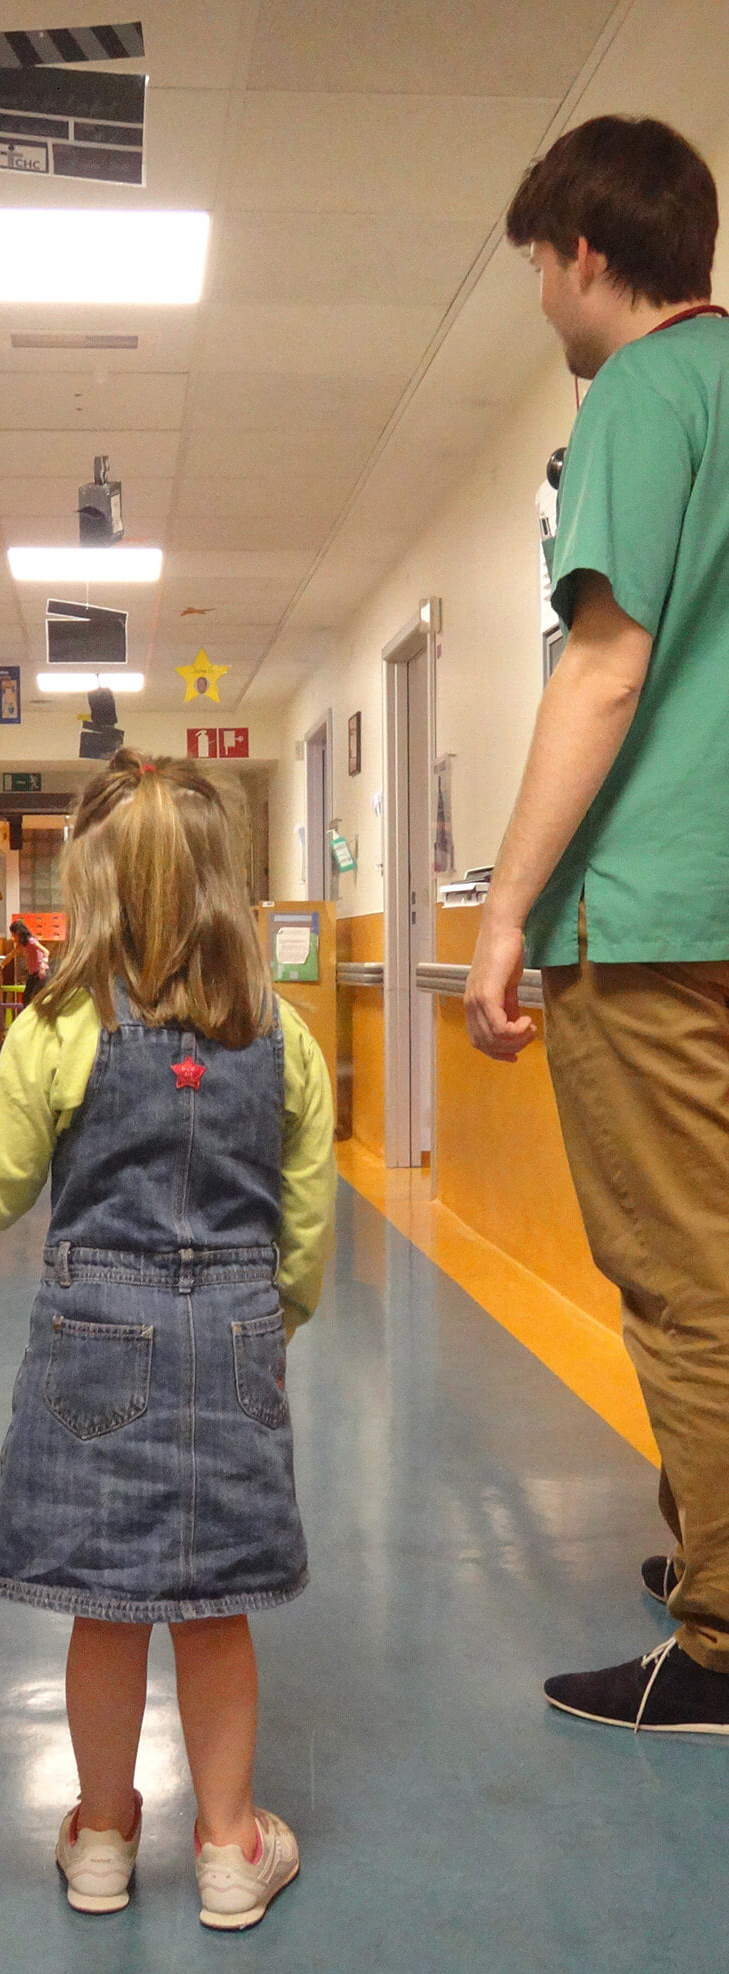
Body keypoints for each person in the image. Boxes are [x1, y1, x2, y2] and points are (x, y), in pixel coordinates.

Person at [0, 752, 335, 1928]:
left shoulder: (57, 1025)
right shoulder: (281, 1034)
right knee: (213, 1606)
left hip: (95, 1343)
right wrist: (268, 1324)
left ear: (93, 886)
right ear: (224, 883)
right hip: (236, 1341)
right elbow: (304, 1222)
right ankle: (229, 1850)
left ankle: (99, 1839)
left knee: (106, 1605)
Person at [465, 113, 729, 1733]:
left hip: (648, 915)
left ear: (582, 253)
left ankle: (719, 1641)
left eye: (536, 275)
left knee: (684, 1274)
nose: (540, 310)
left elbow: (606, 663)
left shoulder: (639, 390)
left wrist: (505, 906)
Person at [10, 916, 51, 1005]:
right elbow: (12, 954)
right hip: (33, 974)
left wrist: (43, 964)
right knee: (26, 998)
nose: (13, 937)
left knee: (37, 997)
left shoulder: (31, 941)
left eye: (14, 934)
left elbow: (46, 951)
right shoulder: (22, 944)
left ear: (18, 933)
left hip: (40, 973)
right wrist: (1, 965)